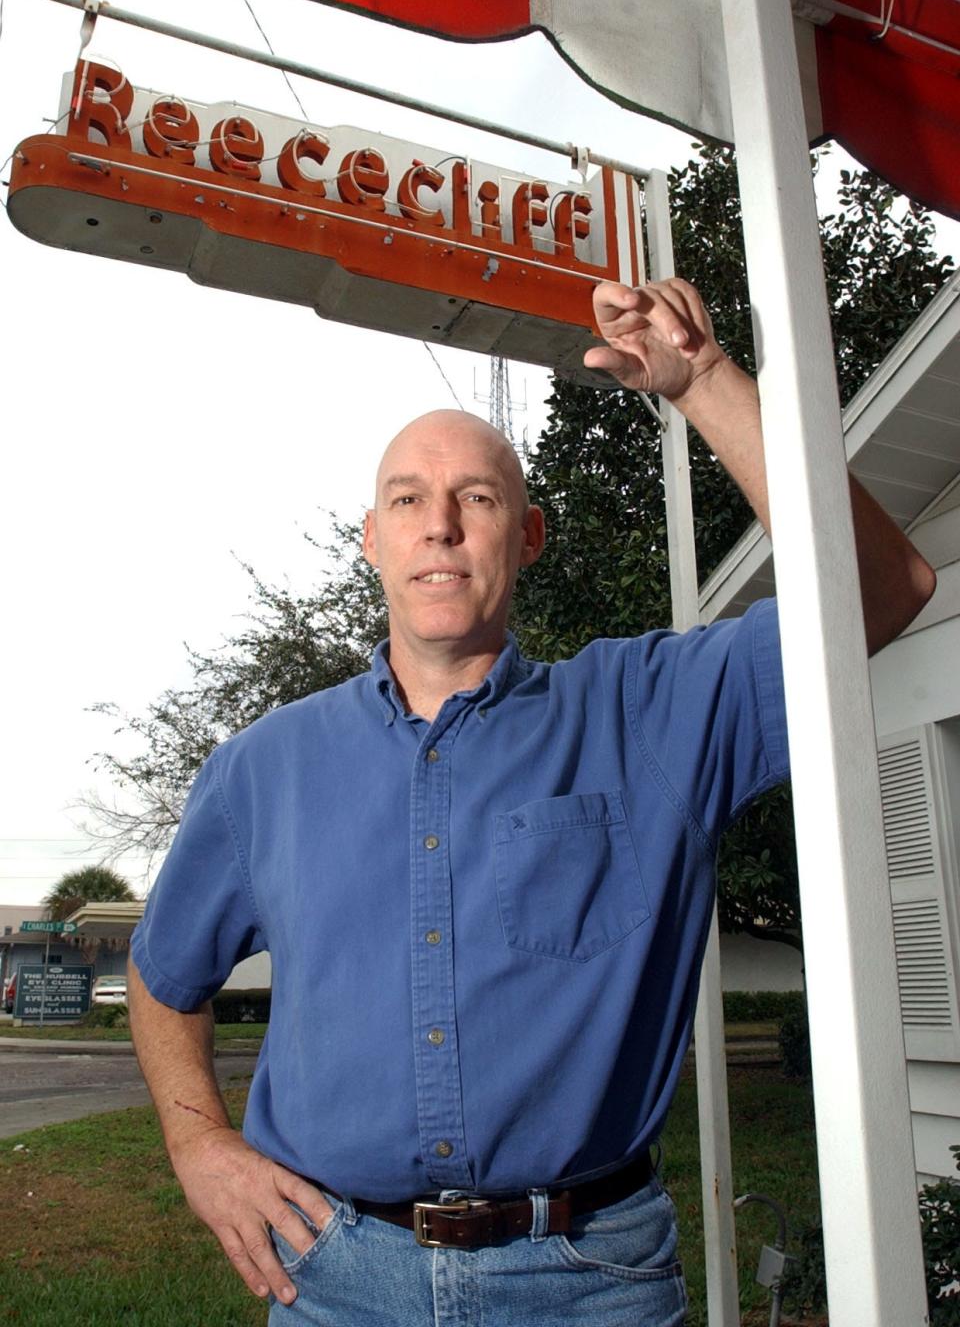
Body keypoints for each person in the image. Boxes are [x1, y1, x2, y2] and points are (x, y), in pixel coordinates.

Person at [128, 278, 935, 1326]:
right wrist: (199, 1140)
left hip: (589, 1280)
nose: (444, 525)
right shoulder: (261, 768)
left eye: (480, 496)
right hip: (335, 1279)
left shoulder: (649, 712)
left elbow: (886, 588)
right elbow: (162, 975)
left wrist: (705, 384)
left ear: (530, 534)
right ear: (370, 539)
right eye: (409, 499)